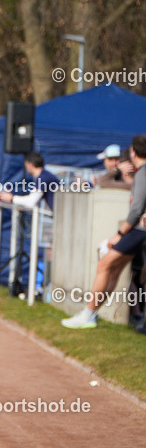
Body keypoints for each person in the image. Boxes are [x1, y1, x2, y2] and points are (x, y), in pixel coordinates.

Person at [62, 135, 146, 329]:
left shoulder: (142, 174)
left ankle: (89, 314)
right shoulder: (140, 174)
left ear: (133, 152)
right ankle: (91, 313)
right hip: (139, 229)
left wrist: (120, 233)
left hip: (138, 230)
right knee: (113, 269)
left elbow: (137, 208)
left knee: (104, 264)